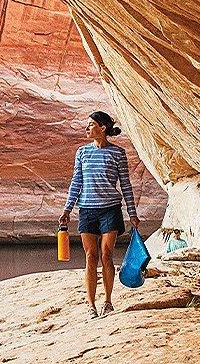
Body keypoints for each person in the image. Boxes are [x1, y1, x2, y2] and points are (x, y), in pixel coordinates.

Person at [58, 111, 139, 319]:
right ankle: (91, 305)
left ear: (102, 128)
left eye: (91, 125)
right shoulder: (82, 152)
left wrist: (132, 213)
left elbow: (126, 185)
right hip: (87, 210)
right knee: (90, 257)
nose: (87, 129)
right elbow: (76, 182)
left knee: (106, 255)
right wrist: (67, 209)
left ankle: (108, 302)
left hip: (110, 209)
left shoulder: (118, 153)